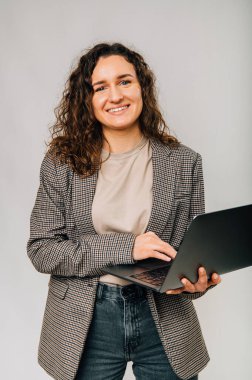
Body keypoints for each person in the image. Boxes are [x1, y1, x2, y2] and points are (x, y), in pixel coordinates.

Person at [27, 42, 221, 380]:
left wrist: (198, 281)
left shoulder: (184, 162)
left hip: (165, 316)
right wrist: (127, 246)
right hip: (85, 320)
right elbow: (42, 250)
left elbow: (192, 251)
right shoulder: (62, 164)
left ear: (141, 87)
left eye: (125, 81)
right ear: (87, 100)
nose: (115, 95)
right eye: (100, 87)